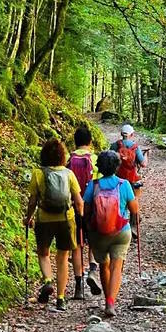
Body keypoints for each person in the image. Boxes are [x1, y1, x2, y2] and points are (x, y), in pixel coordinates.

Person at [25, 138, 84, 312]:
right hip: (66, 219)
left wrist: (28, 218)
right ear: (62, 156)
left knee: (43, 253)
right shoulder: (68, 174)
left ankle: (48, 281)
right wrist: (80, 218)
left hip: (44, 219)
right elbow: (79, 201)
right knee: (63, 258)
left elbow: (32, 201)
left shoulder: (38, 173)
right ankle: (60, 299)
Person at [83, 150, 139, 318]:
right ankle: (110, 303)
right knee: (116, 266)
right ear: (117, 166)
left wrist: (88, 230)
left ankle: (107, 299)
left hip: (98, 233)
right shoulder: (124, 184)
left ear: (99, 166)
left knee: (104, 265)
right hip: (120, 232)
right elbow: (134, 210)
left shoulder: (93, 185)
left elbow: (86, 211)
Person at [67, 127, 102, 299]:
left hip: (73, 208)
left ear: (75, 141)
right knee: (93, 241)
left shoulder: (68, 159)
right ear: (90, 141)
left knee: (77, 246)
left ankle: (78, 286)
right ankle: (93, 271)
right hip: (92, 208)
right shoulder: (95, 159)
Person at [111, 123, 147, 196]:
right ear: (132, 134)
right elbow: (143, 164)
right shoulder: (135, 147)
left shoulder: (115, 145)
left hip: (117, 176)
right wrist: (146, 154)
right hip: (131, 177)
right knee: (132, 195)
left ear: (121, 134)